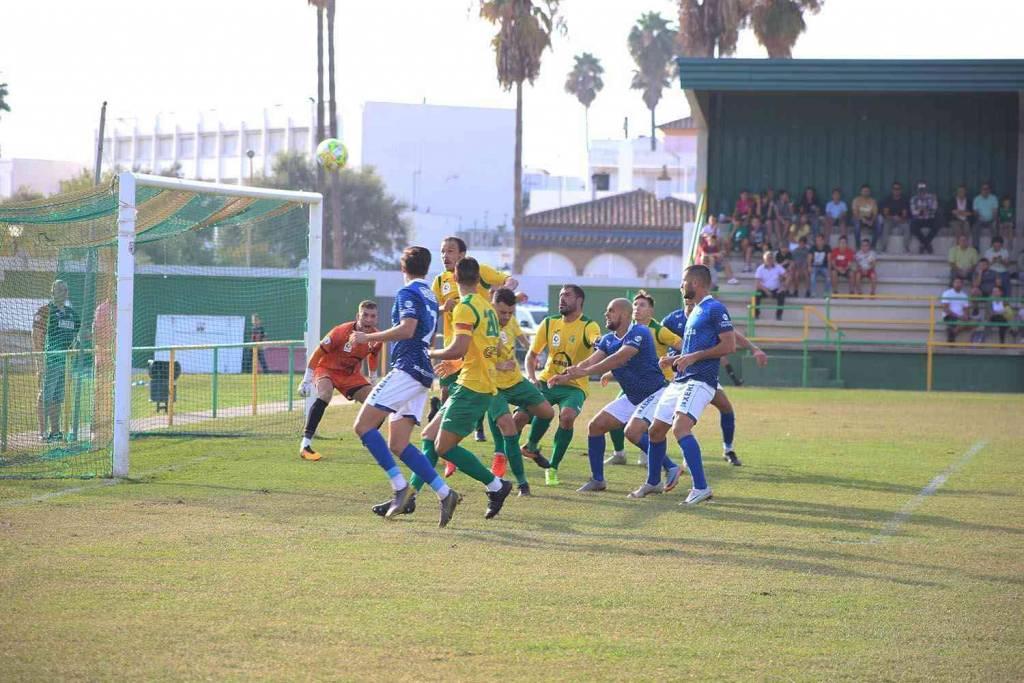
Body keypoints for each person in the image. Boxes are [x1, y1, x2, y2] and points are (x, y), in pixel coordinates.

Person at [351, 246, 460, 527]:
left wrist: (368, 339)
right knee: (398, 443)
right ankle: (445, 493)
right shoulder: (430, 295)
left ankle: (400, 488)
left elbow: (408, 329)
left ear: (403, 268)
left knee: (363, 426)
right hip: (422, 372)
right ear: (426, 267)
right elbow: (429, 334)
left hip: (408, 369)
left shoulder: (407, 293)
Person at [410, 257, 513, 522]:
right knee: (429, 435)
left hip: (473, 386)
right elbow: (488, 348)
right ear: (479, 279)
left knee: (444, 447)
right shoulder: (487, 307)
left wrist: (428, 351)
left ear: (454, 279)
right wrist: (458, 361)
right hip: (473, 380)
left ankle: (496, 486)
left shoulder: (465, 307)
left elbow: (458, 347)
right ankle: (409, 495)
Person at [548, 298, 680, 496]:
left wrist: (583, 372)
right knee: (595, 426)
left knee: (633, 432)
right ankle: (598, 480)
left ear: (625, 315)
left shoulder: (640, 332)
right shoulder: (608, 339)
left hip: (656, 393)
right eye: (606, 310)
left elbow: (619, 358)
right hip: (633, 396)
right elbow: (590, 361)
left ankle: (667, 469)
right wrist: (566, 375)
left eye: (611, 311)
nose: (606, 314)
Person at [647, 265, 736, 505]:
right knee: (655, 431)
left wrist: (693, 358)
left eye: (684, 281)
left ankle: (701, 487)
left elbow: (729, 345)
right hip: (681, 380)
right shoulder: (694, 312)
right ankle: (653, 482)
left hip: (701, 380)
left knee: (680, 428)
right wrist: (674, 360)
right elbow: (691, 352)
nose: (681, 285)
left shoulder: (714, 308)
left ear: (695, 283)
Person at [430, 236, 517, 448]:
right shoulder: (440, 281)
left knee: (484, 395)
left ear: (462, 255)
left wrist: (500, 295)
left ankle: (486, 439)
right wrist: (444, 308)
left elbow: (510, 281)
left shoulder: (478, 271)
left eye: (450, 251)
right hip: (454, 347)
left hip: (479, 348)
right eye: (442, 251)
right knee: (447, 394)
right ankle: (446, 443)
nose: (445, 255)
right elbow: (432, 310)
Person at [519, 285, 601, 486]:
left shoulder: (589, 326)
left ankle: (552, 467)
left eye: (567, 295)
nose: (562, 299)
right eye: (560, 295)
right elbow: (532, 355)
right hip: (548, 381)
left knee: (567, 417)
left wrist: (599, 343)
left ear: (579, 300)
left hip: (575, 386)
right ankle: (526, 448)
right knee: (518, 417)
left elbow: (596, 342)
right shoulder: (549, 323)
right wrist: (532, 377)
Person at [483, 287, 555, 496]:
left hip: (516, 381)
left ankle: (529, 446)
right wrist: (498, 366)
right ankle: (522, 484)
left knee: (547, 413)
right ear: (492, 306)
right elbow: (476, 358)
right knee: (509, 430)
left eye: (510, 313)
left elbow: (522, 338)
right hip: (494, 387)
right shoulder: (484, 326)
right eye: (502, 312)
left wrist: (534, 352)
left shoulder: (511, 320)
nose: (506, 317)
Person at [604, 289, 684, 467]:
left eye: (642, 305)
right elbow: (623, 357)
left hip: (658, 384)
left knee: (649, 422)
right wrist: (610, 373)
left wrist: (673, 360)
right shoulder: (628, 329)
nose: (637, 308)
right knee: (614, 416)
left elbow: (683, 345)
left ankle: (648, 454)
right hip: (634, 382)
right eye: (635, 304)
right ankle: (619, 453)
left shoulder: (658, 330)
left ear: (651, 311)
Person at [297, 300, 381, 461]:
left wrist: (373, 381)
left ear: (376, 318)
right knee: (325, 395)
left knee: (378, 400)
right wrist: (306, 380)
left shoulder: (376, 337)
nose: (369, 319)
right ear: (358, 316)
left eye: (373, 316)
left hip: (350, 375)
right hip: (326, 369)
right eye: (365, 315)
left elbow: (373, 357)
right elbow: (317, 354)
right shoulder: (340, 332)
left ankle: (369, 441)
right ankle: (305, 445)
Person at [32, 280, 80, 442]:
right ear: (52, 292)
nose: (62, 292)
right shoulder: (45, 311)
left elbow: (77, 336)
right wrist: (40, 362)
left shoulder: (72, 314)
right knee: (45, 396)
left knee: (57, 399)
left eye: (65, 290)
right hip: (49, 361)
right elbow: (37, 336)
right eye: (58, 289)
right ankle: (42, 432)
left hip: (64, 363)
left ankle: (55, 431)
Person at [754, 251, 787, 320]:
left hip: (776, 289)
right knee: (756, 295)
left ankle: (779, 315)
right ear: (764, 259)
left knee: (782, 294)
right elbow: (757, 283)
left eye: (771, 258)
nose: (770, 259)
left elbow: (788, 276)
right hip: (764, 289)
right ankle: (756, 314)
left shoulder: (778, 267)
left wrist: (783, 286)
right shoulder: (760, 268)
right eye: (768, 258)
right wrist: (766, 291)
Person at [879, 181, 910, 252]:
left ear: (900, 190)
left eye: (898, 189)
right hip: (889, 219)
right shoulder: (888, 199)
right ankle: (884, 247)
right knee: (885, 226)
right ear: (892, 190)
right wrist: (893, 217)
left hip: (901, 219)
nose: (896, 190)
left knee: (907, 227)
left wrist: (900, 218)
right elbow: (885, 214)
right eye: (894, 189)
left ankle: (906, 247)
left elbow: (904, 214)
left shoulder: (904, 200)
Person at [910, 181, 939, 254]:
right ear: (917, 190)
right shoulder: (914, 199)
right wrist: (924, 210)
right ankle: (927, 244)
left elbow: (934, 209)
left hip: (929, 219)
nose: (922, 191)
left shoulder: (932, 197)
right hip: (919, 219)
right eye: (920, 190)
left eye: (923, 189)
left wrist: (922, 210)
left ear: (926, 189)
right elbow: (914, 212)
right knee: (912, 225)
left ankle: (924, 244)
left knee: (937, 223)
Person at [940, 277, 970, 343]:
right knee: (958, 322)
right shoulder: (947, 293)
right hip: (949, 315)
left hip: (961, 317)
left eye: (959, 282)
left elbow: (966, 308)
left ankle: (952, 332)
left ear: (962, 284)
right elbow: (945, 309)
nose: (958, 284)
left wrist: (966, 315)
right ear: (953, 283)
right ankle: (951, 337)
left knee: (976, 322)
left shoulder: (964, 295)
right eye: (956, 282)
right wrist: (958, 316)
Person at [851, 184, 881, 249]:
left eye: (867, 191)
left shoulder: (872, 201)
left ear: (869, 192)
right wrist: (863, 219)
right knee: (857, 226)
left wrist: (872, 220)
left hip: (869, 218)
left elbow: (875, 213)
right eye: (864, 191)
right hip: (858, 218)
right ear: (861, 192)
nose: (866, 193)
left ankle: (873, 246)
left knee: (878, 226)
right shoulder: (856, 200)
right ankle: (858, 246)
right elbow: (855, 213)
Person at [972, 183, 999, 250]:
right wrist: (979, 216)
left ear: (989, 190)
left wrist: (994, 220)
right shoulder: (977, 199)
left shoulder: (993, 198)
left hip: (991, 220)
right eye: (983, 189)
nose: (985, 190)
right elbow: (975, 212)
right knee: (975, 229)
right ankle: (976, 248)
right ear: (981, 190)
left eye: (987, 189)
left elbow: (995, 211)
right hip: (980, 219)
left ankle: (993, 248)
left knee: (995, 229)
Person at [808, 233, 831, 297]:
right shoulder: (813, 248)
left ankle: (826, 294)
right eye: (817, 240)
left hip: (824, 267)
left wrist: (829, 270)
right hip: (814, 267)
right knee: (812, 277)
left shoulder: (827, 247)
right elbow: (809, 258)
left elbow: (829, 260)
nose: (818, 242)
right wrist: (809, 266)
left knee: (828, 278)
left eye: (820, 240)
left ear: (823, 241)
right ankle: (813, 293)